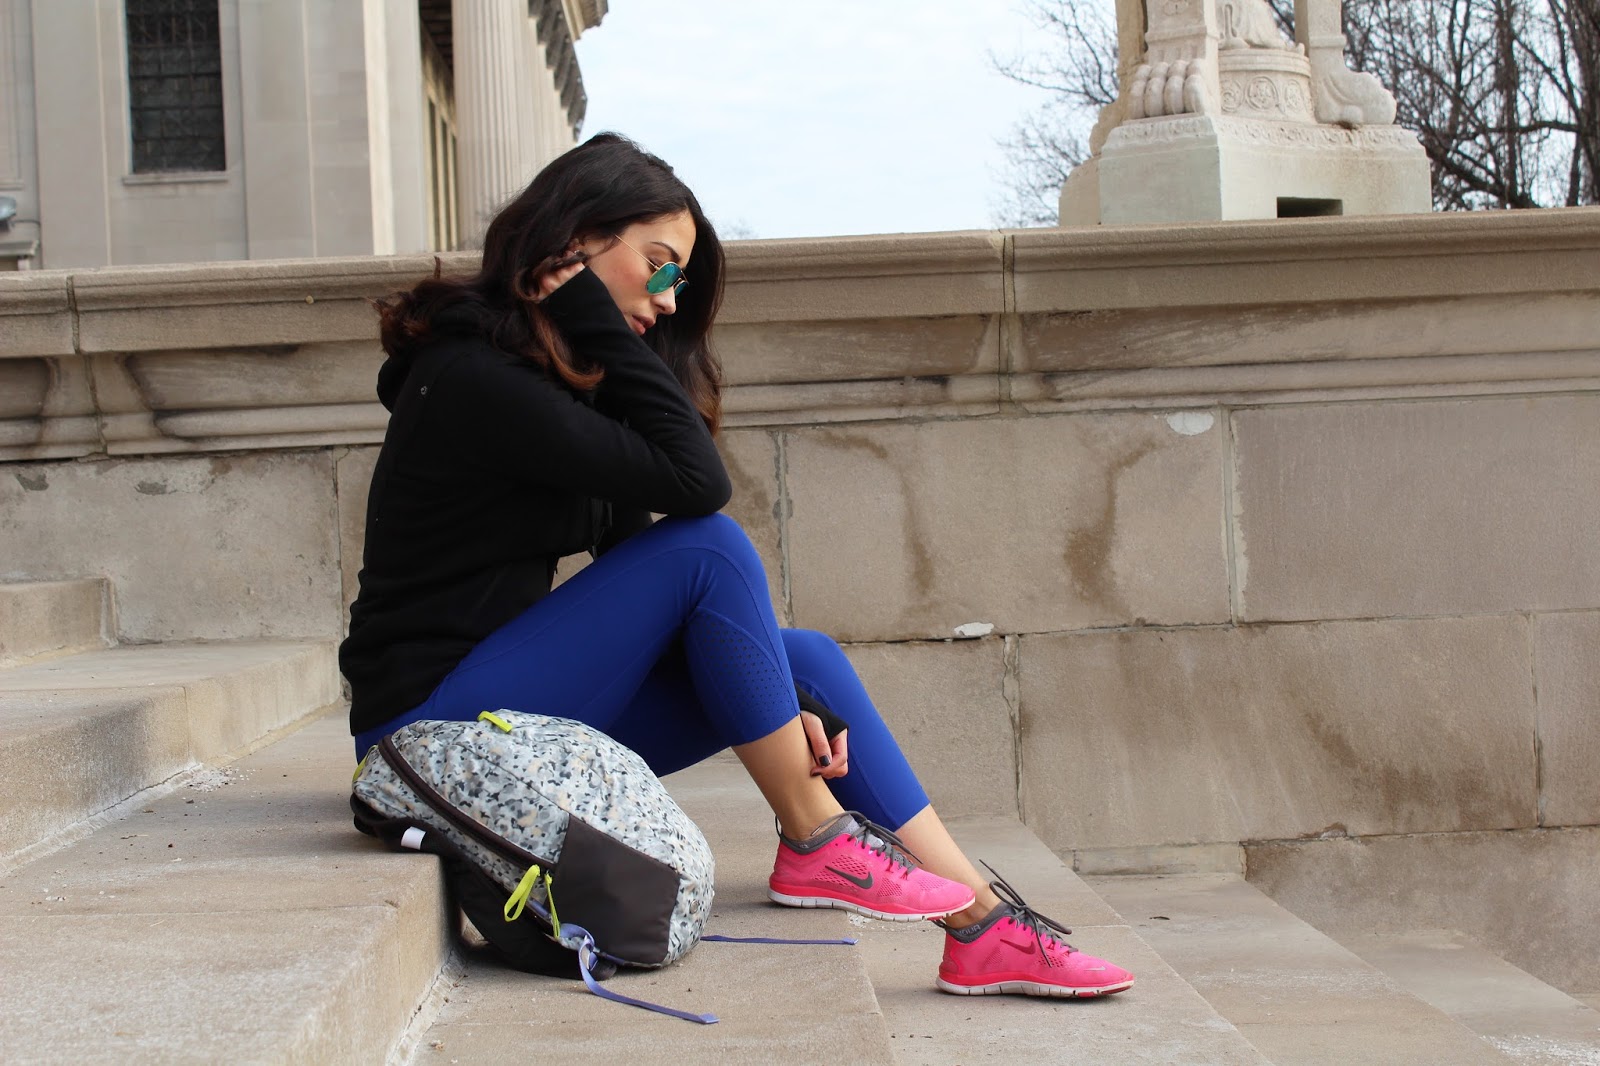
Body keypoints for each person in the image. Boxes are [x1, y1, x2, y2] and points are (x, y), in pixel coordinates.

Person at [340, 133, 1133, 999]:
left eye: (677, 280)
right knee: (710, 545)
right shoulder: (469, 378)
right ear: (571, 243)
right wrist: (595, 318)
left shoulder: (557, 393)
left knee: (805, 662)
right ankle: (816, 836)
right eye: (657, 265)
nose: (667, 298)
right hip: (426, 733)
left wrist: (782, 703)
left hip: (514, 721)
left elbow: (642, 559)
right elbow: (699, 491)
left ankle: (982, 926)